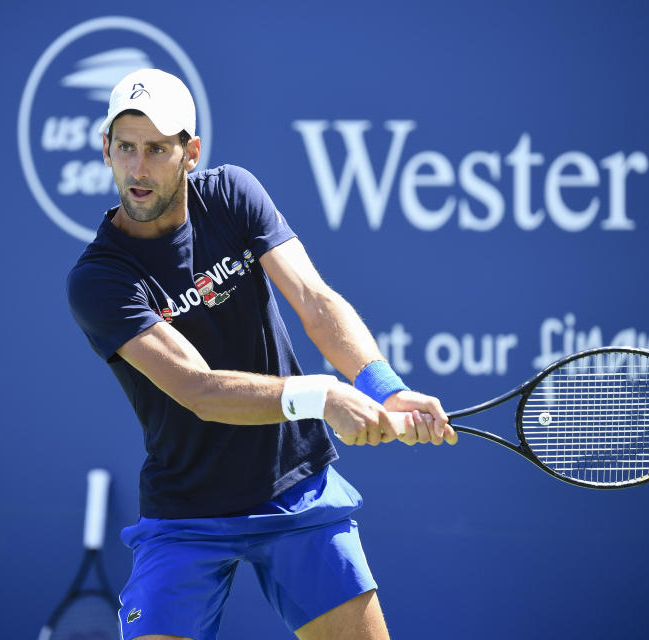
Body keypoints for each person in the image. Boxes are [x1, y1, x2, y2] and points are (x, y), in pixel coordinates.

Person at [67, 68, 457, 640]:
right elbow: (198, 389)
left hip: (293, 485)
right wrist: (324, 395)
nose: (138, 168)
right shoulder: (99, 280)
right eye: (125, 148)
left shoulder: (232, 196)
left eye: (156, 149)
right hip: (185, 510)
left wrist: (382, 387)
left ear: (190, 153)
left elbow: (314, 300)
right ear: (106, 150)